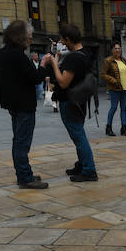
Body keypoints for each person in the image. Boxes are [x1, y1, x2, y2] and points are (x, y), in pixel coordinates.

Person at [0, 20, 50, 189]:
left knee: (18, 140)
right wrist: (43, 65)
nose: (31, 40)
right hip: (24, 104)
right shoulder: (18, 55)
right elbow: (35, 78)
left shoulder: (2, 53)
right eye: (29, 36)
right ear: (20, 37)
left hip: (12, 103)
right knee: (22, 142)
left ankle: (23, 173)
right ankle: (25, 178)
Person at [45, 24, 98, 182]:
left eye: (62, 39)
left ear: (68, 39)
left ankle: (89, 170)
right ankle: (82, 164)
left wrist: (54, 64)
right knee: (78, 134)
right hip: (80, 101)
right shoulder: (85, 53)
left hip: (70, 101)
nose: (61, 42)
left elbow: (63, 83)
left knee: (78, 136)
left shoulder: (74, 58)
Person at [100, 42, 126, 136]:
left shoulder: (123, 60)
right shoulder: (108, 61)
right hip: (114, 88)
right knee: (113, 107)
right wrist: (113, 80)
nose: (118, 50)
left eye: (119, 48)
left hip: (125, 88)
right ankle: (108, 127)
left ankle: (124, 128)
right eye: (115, 48)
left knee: (124, 109)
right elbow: (103, 74)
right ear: (112, 50)